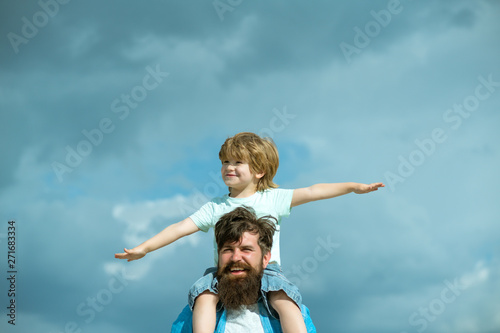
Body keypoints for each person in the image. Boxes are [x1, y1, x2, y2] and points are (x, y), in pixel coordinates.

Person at [115, 132, 384, 332]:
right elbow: (180, 228)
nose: (229, 167)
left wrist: (353, 187)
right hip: (225, 271)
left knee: (285, 300)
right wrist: (145, 248)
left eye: (237, 163)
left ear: (259, 171)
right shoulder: (215, 206)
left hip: (268, 270)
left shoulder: (273, 198)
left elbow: (313, 191)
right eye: (225, 162)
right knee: (204, 295)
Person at [170, 206, 317, 332]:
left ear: (265, 259)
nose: (235, 258)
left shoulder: (292, 311)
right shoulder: (193, 314)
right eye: (227, 250)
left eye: (246, 249)